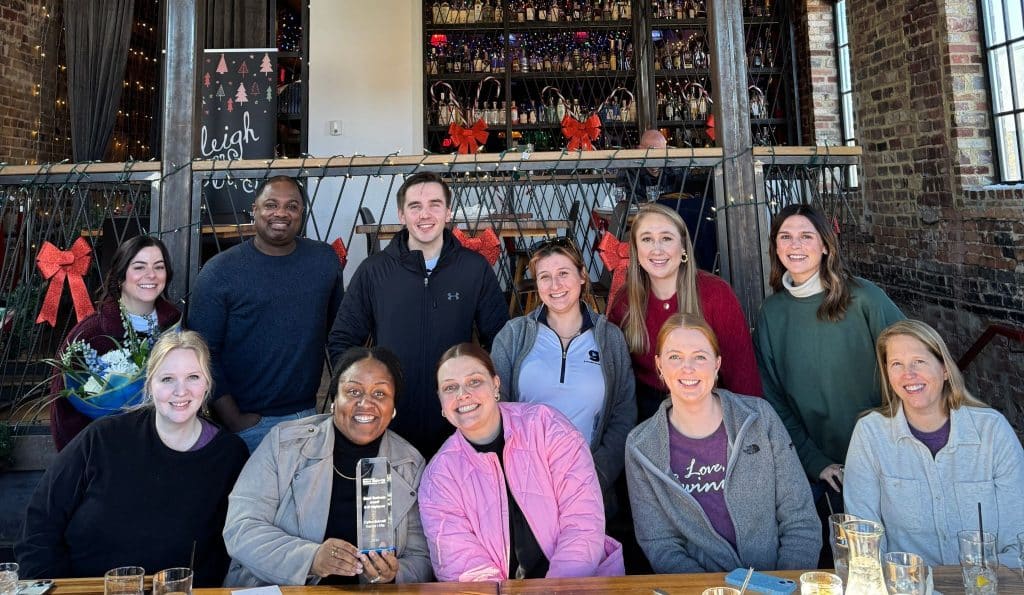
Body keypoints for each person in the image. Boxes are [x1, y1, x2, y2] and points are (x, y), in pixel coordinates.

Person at [17, 331, 248, 586]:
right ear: (150, 384)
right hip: (85, 590)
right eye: (167, 379)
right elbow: (42, 520)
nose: (180, 391)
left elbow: (231, 547)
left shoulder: (229, 456)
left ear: (207, 385)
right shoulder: (103, 438)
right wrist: (48, 587)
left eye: (193, 377)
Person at [328, 172, 508, 458]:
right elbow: (343, 339)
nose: (425, 214)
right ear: (401, 214)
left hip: (457, 423)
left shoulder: (473, 269)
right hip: (390, 423)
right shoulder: (374, 271)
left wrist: (479, 397)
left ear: (448, 212)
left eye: (435, 204)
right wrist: (361, 395)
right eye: (415, 206)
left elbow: (501, 341)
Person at [625, 314, 820, 573]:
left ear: (717, 364)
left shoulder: (759, 418)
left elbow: (800, 519)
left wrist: (783, 585)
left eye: (700, 356)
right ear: (659, 365)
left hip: (776, 583)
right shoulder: (641, 447)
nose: (688, 367)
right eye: (675, 357)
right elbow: (661, 544)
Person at [222, 346, 431, 586]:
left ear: (393, 408)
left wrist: (393, 574)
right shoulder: (283, 445)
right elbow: (241, 528)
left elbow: (422, 558)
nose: (366, 403)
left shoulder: (410, 464)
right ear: (334, 400)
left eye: (380, 394)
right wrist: (310, 558)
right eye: (353, 391)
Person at [419, 343, 624, 581]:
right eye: (450, 387)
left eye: (474, 381)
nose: (462, 394)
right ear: (441, 402)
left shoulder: (546, 426)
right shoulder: (439, 477)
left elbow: (582, 521)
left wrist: (555, 590)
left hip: (575, 584)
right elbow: (463, 567)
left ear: (496, 385)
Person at [844, 319, 1024, 567]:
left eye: (919, 361)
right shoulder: (870, 435)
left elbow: (1019, 539)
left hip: (984, 585)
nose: (909, 374)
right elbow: (864, 542)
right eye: (897, 364)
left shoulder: (992, 432)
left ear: (945, 369)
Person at [754, 204, 904, 496]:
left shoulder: (864, 299)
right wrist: (814, 461)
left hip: (887, 458)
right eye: (785, 236)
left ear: (825, 245)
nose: (794, 245)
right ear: (775, 246)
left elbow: (914, 367)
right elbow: (771, 399)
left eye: (806, 236)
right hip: (821, 473)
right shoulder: (771, 314)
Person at [188, 175, 344, 452]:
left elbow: (338, 333)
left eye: (292, 206)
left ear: (301, 214)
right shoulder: (220, 271)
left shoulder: (323, 261)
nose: (281, 213)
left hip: (307, 416)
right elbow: (201, 351)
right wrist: (233, 419)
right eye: (271, 204)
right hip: (246, 423)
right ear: (255, 209)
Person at [491, 236, 635, 514]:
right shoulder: (513, 335)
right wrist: (518, 472)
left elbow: (623, 414)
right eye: (544, 277)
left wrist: (597, 473)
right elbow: (497, 408)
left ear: (582, 276)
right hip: (526, 484)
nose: (555, 286)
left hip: (588, 485)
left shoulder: (609, 338)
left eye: (563, 274)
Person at [608, 203, 761, 421]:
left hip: (711, 413)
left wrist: (750, 432)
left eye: (667, 238)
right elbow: (617, 382)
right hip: (648, 419)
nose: (657, 249)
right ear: (635, 249)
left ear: (683, 248)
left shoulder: (715, 294)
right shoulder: (625, 301)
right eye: (647, 239)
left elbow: (743, 377)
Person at [49, 235, 181, 451]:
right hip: (106, 455)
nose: (151, 275)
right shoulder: (91, 334)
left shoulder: (177, 325)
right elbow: (63, 410)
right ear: (121, 277)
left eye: (159, 267)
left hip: (168, 450)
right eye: (139, 267)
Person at [614, 129, 716, 270]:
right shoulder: (629, 171)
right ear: (639, 150)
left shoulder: (674, 169)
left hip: (675, 226)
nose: (656, 157)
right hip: (641, 225)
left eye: (660, 152)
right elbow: (626, 204)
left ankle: (696, 276)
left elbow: (686, 196)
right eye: (651, 151)